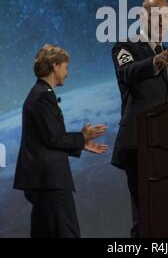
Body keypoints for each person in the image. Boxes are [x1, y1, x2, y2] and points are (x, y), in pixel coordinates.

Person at [111, 0, 168, 237]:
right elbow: (127, 72)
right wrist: (155, 61)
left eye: (167, 19)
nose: (163, 24)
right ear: (142, 17)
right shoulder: (126, 47)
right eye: (157, 18)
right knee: (145, 217)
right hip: (139, 145)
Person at [13, 44, 108, 238]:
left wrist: (81, 143)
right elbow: (54, 138)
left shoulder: (38, 94)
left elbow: (48, 138)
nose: (67, 73)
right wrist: (83, 137)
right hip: (50, 182)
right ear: (55, 66)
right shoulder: (43, 96)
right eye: (66, 67)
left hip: (42, 181)